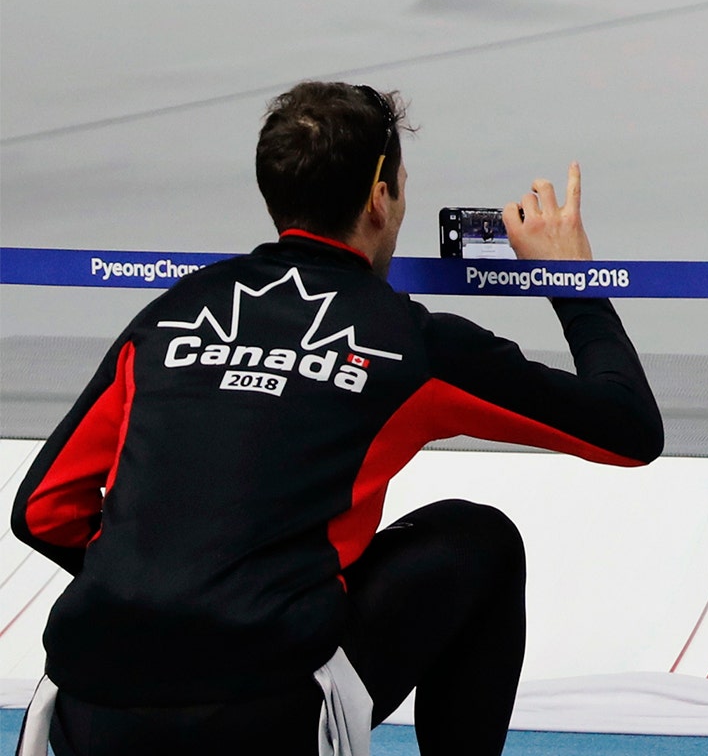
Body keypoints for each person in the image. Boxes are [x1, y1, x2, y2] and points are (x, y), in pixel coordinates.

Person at [10, 82, 665, 755]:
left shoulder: (172, 312)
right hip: (263, 716)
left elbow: (41, 512)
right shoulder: (413, 344)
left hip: (87, 710)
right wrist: (573, 284)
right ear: (380, 198)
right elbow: (631, 430)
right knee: (481, 540)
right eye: (402, 186)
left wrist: (168, 594)